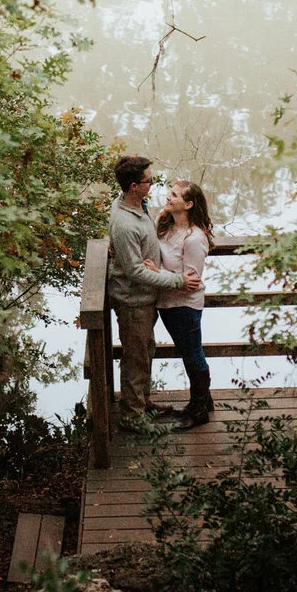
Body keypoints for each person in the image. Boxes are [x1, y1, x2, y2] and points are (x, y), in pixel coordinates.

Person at [107, 155, 200, 431]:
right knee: (135, 358)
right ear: (134, 186)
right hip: (132, 300)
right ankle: (133, 417)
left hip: (145, 298)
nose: (153, 184)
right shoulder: (125, 224)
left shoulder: (138, 205)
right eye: (149, 181)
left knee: (146, 350)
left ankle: (143, 403)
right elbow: (135, 271)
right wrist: (176, 280)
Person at [153, 180, 214, 429]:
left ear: (188, 204)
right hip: (168, 302)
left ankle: (199, 411)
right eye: (170, 193)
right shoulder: (168, 228)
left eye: (175, 195)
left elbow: (190, 281)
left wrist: (154, 272)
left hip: (185, 306)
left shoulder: (194, 238)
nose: (168, 197)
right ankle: (203, 401)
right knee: (189, 353)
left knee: (192, 355)